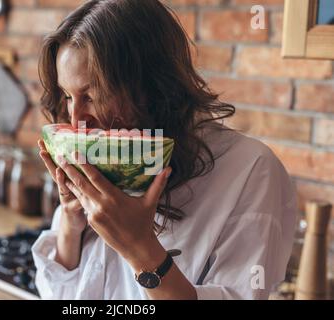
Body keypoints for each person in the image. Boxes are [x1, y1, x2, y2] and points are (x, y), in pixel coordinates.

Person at [32, 0, 297, 300]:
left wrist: (139, 248)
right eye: (68, 96)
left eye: (92, 96)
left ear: (151, 87)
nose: (76, 119)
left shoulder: (251, 170)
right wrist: (70, 222)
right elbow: (57, 295)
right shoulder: (105, 151)